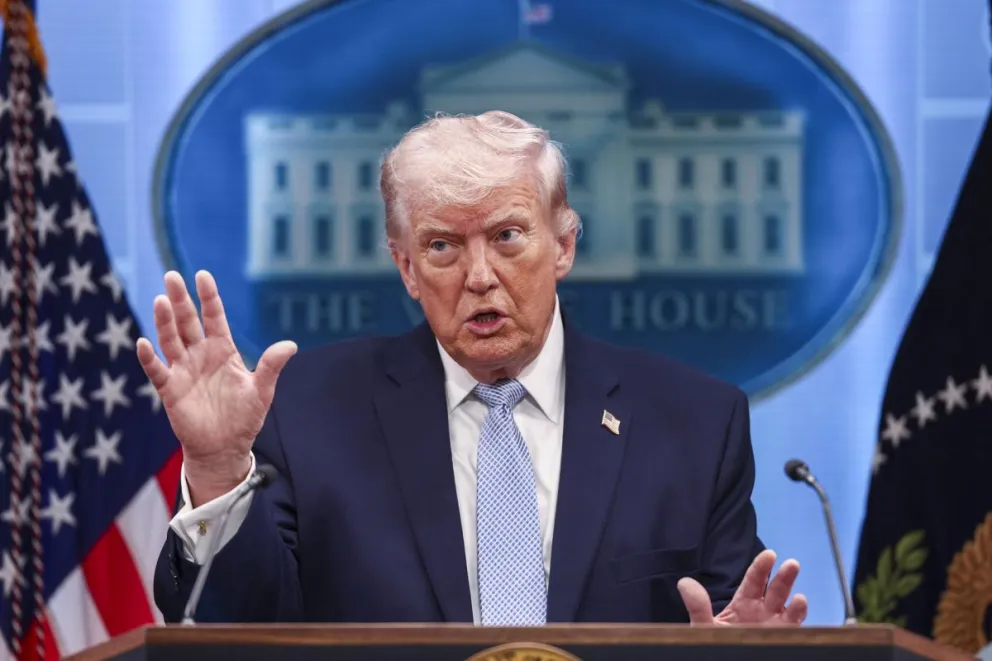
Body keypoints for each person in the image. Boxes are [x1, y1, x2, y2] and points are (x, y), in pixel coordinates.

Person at [140, 110, 808, 626]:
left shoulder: (693, 422)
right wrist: (220, 469)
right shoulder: (307, 413)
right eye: (442, 245)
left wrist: (740, 650)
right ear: (405, 267)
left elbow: (724, 620)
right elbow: (240, 630)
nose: (480, 276)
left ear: (565, 245)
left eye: (507, 236)